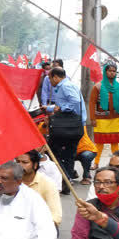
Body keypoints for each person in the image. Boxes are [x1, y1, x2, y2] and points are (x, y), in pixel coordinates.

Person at [45, 66, 86, 194]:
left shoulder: (65, 86)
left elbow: (75, 101)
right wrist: (51, 108)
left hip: (67, 126)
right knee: (69, 156)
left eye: (50, 78)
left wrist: (61, 108)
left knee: (52, 152)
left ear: (56, 77)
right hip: (75, 126)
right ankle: (66, 184)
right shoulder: (67, 85)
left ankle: (65, 178)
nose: (50, 82)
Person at [89, 63, 119, 168]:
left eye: (114, 71)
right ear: (105, 72)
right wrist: (92, 118)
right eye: (110, 70)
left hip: (116, 118)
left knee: (115, 142)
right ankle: (96, 163)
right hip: (101, 119)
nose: (112, 72)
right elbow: (92, 103)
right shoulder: (97, 87)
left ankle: (115, 163)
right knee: (99, 143)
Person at [15, 150, 62, 227]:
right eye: (17, 162)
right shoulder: (10, 181)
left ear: (35, 165)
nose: (19, 165)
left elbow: (56, 216)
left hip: (39, 225)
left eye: (25, 162)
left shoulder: (48, 183)